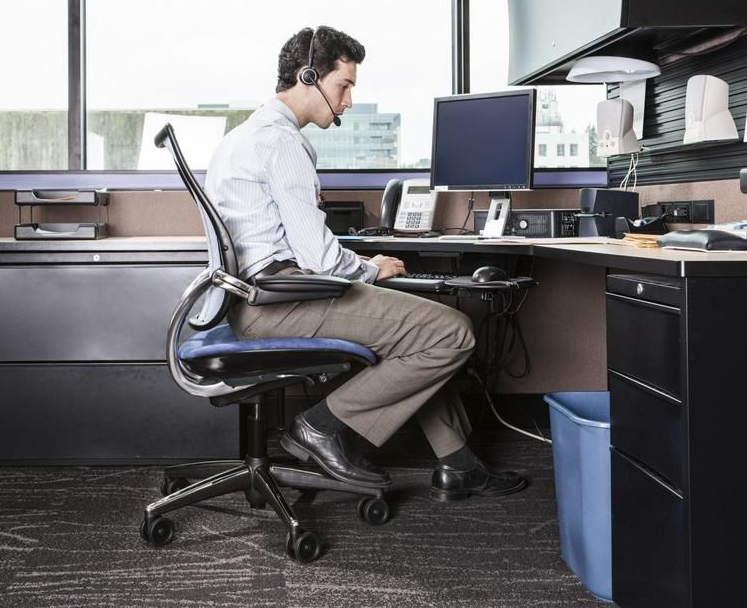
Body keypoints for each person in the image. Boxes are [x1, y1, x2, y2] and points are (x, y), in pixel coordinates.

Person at [204, 25, 526, 500]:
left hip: (254, 301)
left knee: (420, 327)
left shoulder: (245, 135)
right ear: (308, 76)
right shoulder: (282, 143)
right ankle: (320, 426)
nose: (349, 101)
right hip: (277, 304)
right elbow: (316, 256)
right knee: (451, 331)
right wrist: (371, 268)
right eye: (344, 85)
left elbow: (300, 246)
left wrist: (361, 265)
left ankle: (458, 463)